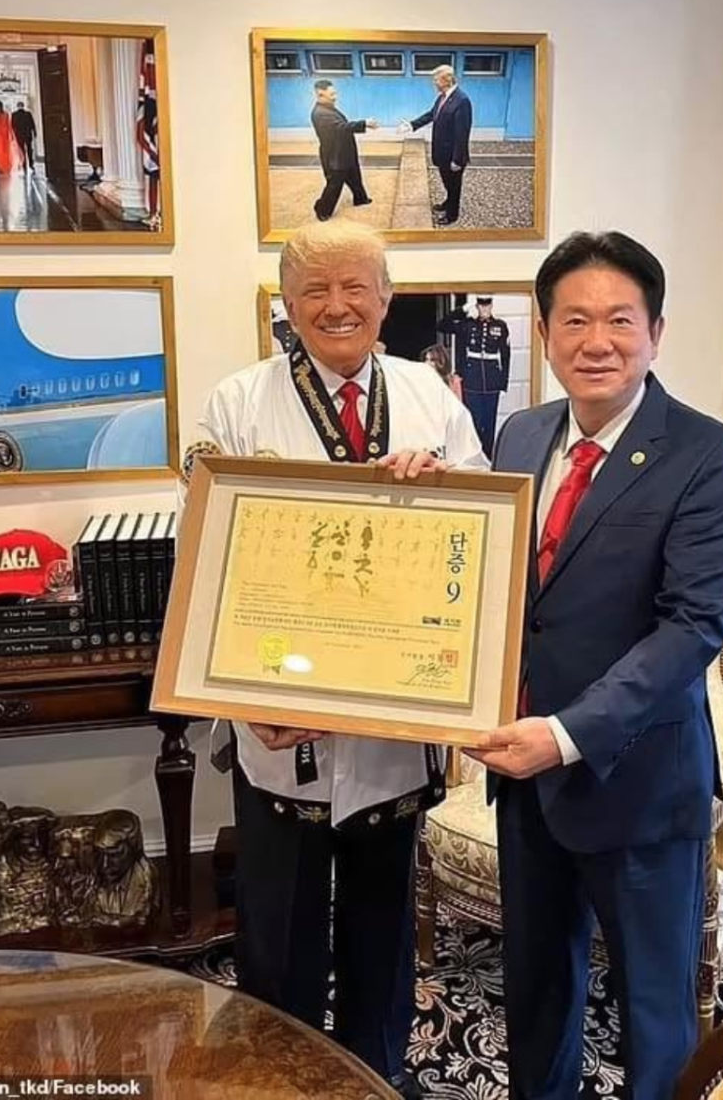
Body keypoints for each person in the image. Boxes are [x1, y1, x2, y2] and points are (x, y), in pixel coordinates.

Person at [195, 218, 486, 1098]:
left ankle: (377, 1074)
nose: (337, 305)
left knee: (381, 926)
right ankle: (277, 1078)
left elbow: (480, 549)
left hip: (392, 730)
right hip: (279, 723)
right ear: (287, 304)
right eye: (315, 289)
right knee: (278, 935)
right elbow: (208, 560)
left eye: (356, 286)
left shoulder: (432, 397)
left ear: (387, 300)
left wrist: (440, 482)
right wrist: (241, 696)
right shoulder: (238, 403)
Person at [467, 231, 723, 1100]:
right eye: (576, 320)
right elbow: (493, 581)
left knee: (655, 1011)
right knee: (537, 991)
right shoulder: (520, 435)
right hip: (524, 778)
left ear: (656, 333)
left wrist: (564, 735)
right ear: (547, 332)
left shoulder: (714, 456)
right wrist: (422, 492)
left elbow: (691, 629)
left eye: (621, 321)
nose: (598, 341)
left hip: (635, 778)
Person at [437, 296, 510, 458]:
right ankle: (475, 457)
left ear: (491, 306)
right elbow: (442, 325)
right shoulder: (467, 325)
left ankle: (488, 457)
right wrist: (463, 309)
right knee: (474, 422)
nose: (484, 309)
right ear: (477, 307)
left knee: (489, 424)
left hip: (491, 380)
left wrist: (503, 382)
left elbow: (505, 355)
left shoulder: (500, 326)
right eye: (481, 306)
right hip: (472, 378)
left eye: (487, 306)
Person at [400, 65, 472, 226]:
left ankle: (452, 214)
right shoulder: (442, 96)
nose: (434, 83)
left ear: (447, 80)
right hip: (441, 152)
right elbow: (431, 114)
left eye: (436, 80)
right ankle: (448, 202)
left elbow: (463, 133)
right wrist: (412, 125)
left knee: (454, 185)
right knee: (447, 182)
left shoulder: (462, 101)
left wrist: (457, 159)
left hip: (453, 155)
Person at [310, 79, 377, 221]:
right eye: (332, 94)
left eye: (335, 93)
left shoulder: (328, 108)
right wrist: (364, 123)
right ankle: (322, 210)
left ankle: (360, 198)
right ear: (320, 95)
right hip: (335, 156)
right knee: (334, 185)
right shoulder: (321, 113)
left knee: (355, 177)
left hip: (345, 152)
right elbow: (341, 127)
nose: (335, 96)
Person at [11, 101, 37, 171]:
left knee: (21, 150)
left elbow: (12, 126)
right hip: (27, 134)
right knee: (29, 149)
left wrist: (12, 136)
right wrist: (34, 132)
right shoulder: (28, 114)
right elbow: (32, 124)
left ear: (17, 106)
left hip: (19, 135)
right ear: (23, 106)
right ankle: (31, 163)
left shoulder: (14, 115)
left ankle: (23, 163)